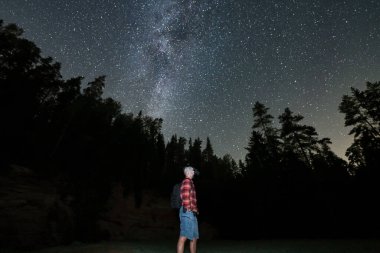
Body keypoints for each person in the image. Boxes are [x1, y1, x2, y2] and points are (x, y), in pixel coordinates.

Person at [177, 166, 199, 253]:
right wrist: (189, 208)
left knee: (194, 237)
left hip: (191, 213)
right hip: (187, 213)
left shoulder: (191, 182)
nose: (194, 173)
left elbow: (191, 198)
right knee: (184, 236)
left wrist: (195, 209)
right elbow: (185, 196)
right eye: (193, 172)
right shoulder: (187, 181)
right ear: (189, 172)